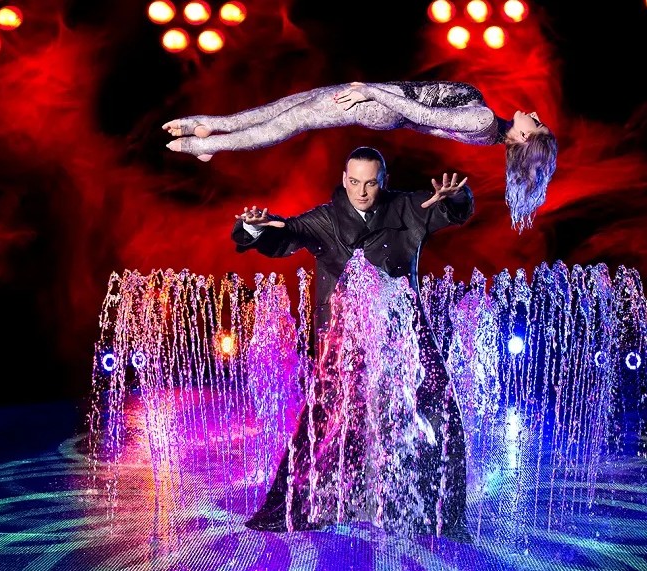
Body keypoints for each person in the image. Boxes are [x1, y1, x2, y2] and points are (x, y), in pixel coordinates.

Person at [231, 146, 474, 541]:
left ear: (383, 182)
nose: (362, 191)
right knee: (326, 417)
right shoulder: (326, 218)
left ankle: (437, 510)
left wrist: (457, 197)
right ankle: (311, 501)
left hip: (403, 332)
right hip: (345, 339)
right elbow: (286, 232)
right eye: (355, 182)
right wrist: (255, 229)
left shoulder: (406, 208)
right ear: (345, 180)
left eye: (371, 183)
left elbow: (451, 210)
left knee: (438, 406)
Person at [167, 80, 557, 232]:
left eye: (536, 123)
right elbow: (424, 119)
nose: (534, 114)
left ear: (525, 137)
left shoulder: (482, 120)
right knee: (288, 107)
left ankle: (205, 143)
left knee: (290, 119)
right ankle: (209, 130)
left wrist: (370, 92)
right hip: (380, 99)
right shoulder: (487, 131)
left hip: (379, 104)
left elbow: (420, 114)